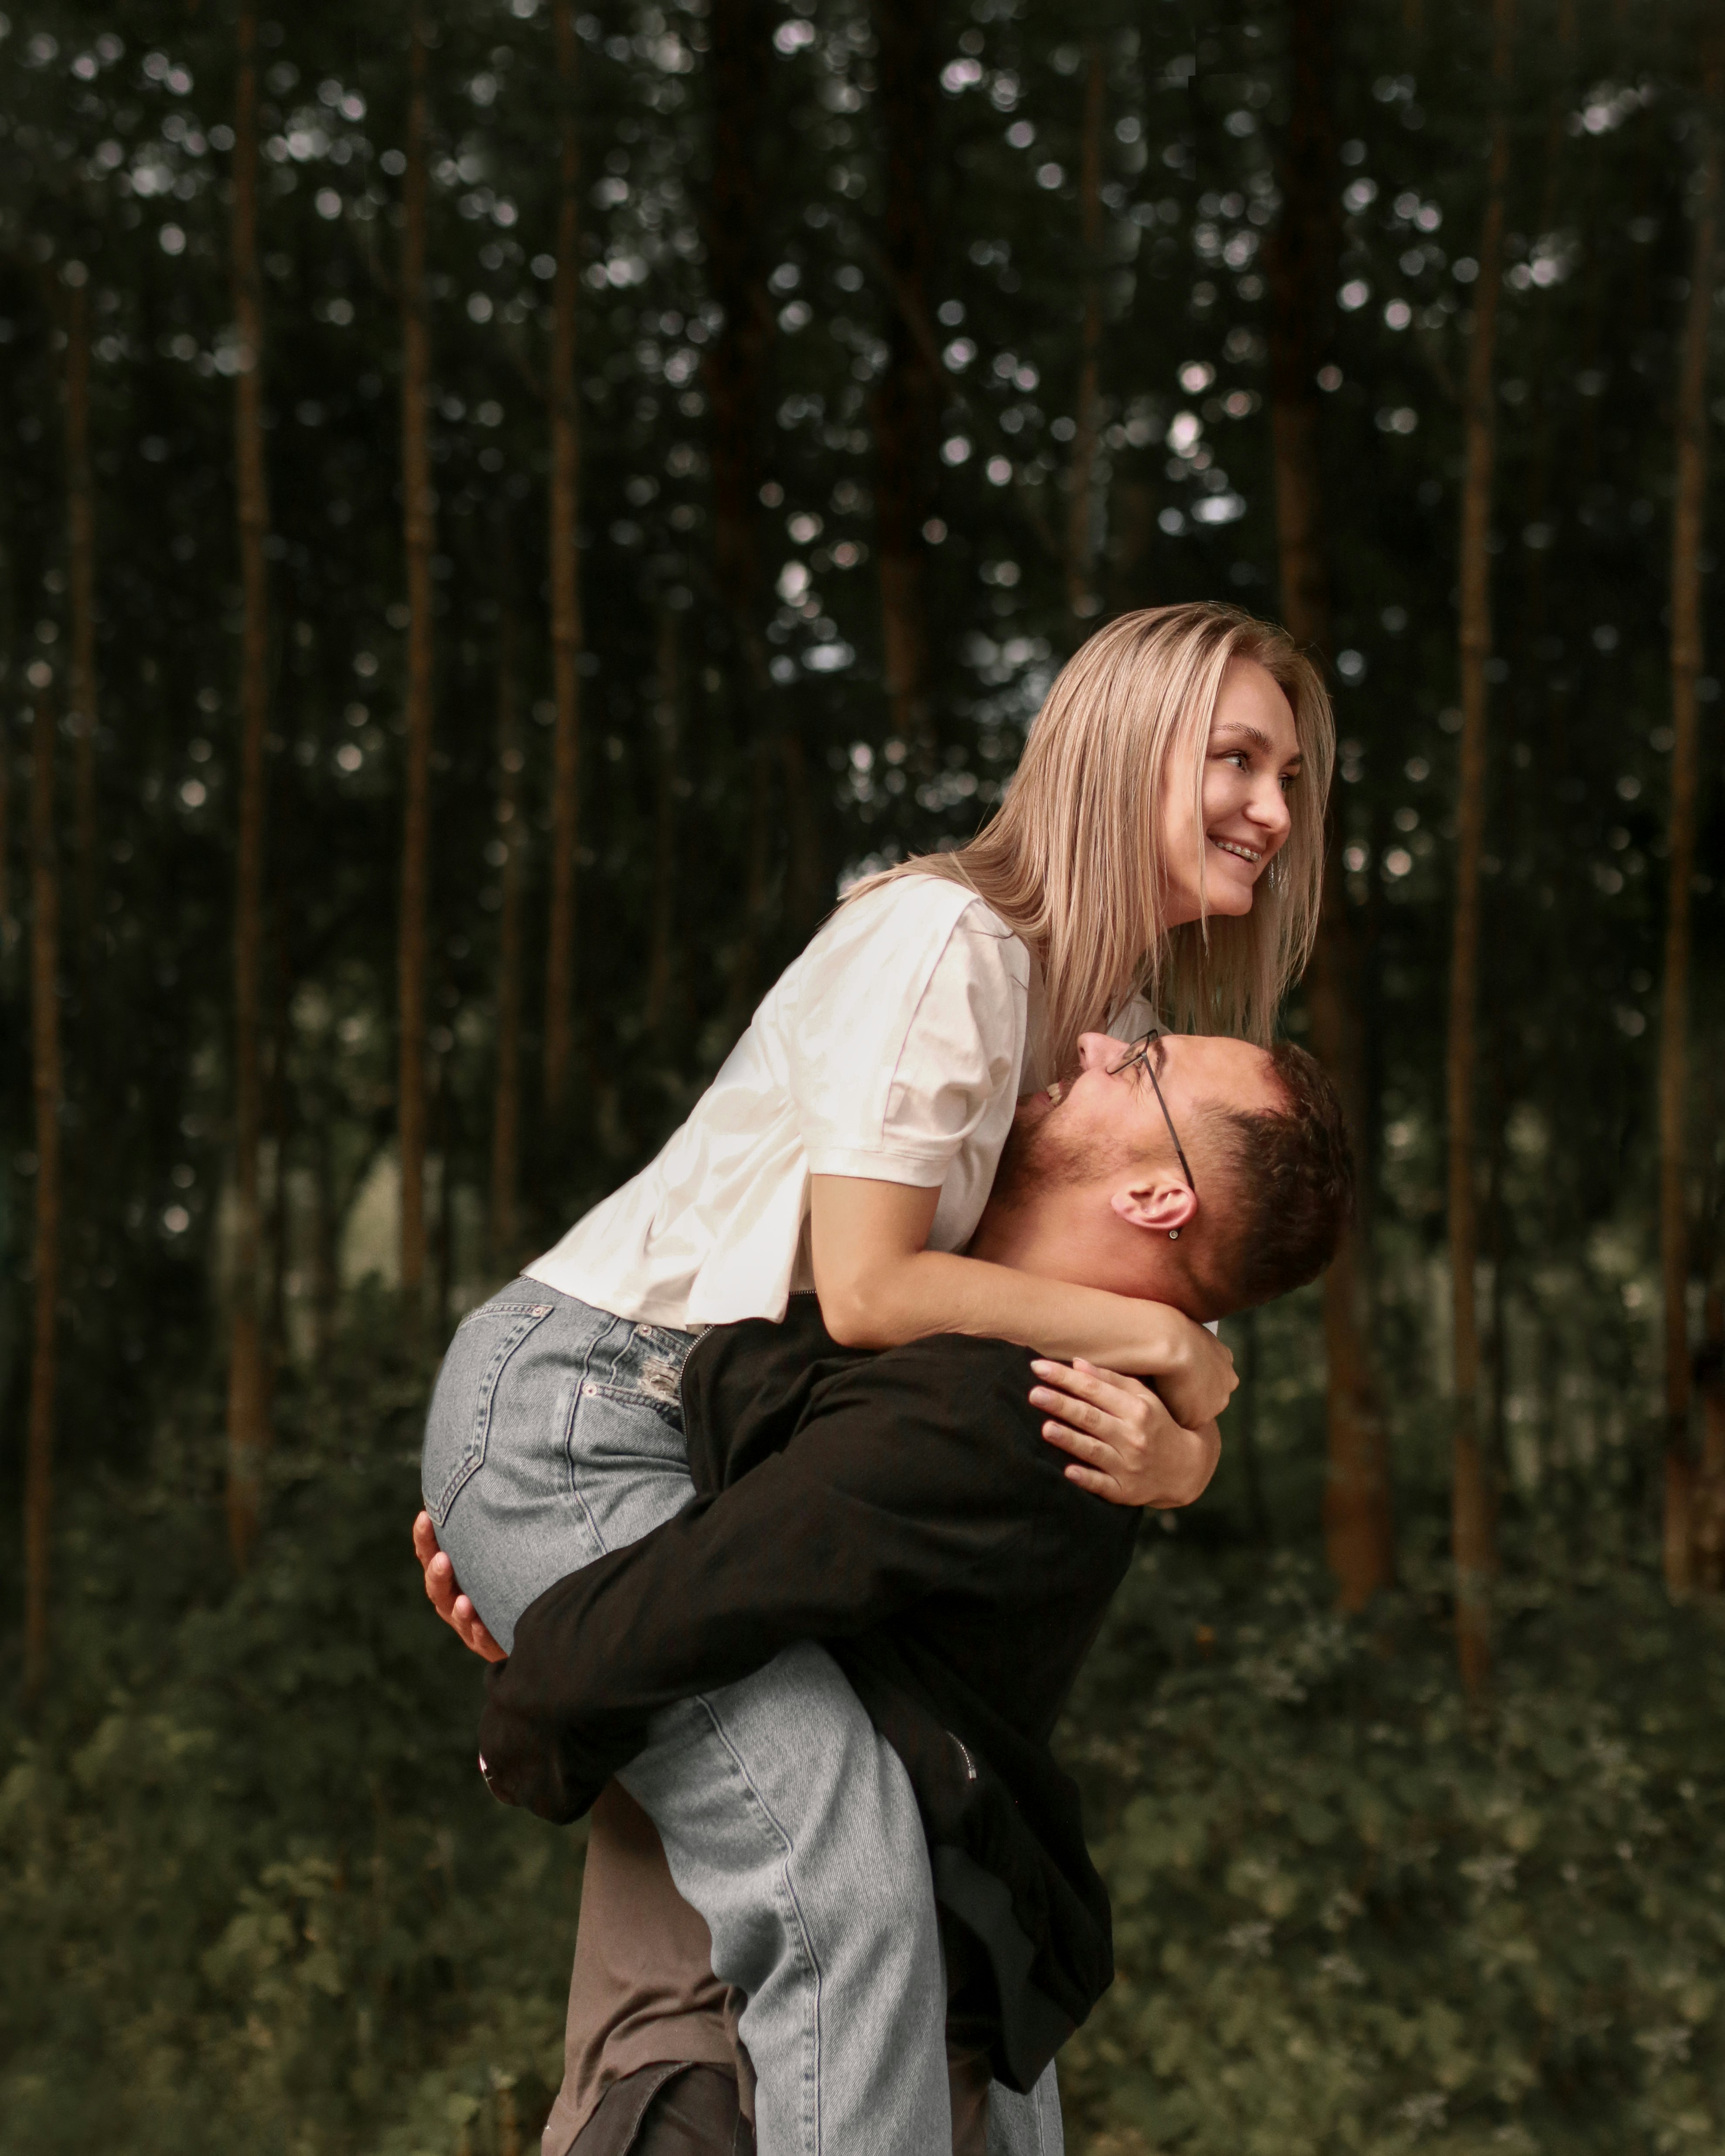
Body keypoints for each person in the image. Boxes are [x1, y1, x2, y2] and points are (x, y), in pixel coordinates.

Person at [416, 604, 1334, 2156]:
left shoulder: (1102, 1025)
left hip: (742, 1433)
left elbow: (1061, 1305)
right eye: (1235, 759)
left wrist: (1189, 1441)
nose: (1275, 811)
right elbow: (873, 1291)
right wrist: (1177, 1354)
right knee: (833, 1871)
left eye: (1292, 778)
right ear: (1118, 755)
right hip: (588, 1405)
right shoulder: (947, 943)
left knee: (949, 1883)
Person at [462, 1029, 1353, 2156]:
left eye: (1142, 1061)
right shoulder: (1037, 1373)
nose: (1092, 1042)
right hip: (769, 2042)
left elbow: (715, 1582)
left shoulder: (1000, 1405)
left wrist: (525, 1699)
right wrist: (542, 1580)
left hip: (741, 2072)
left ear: (1155, 1196)